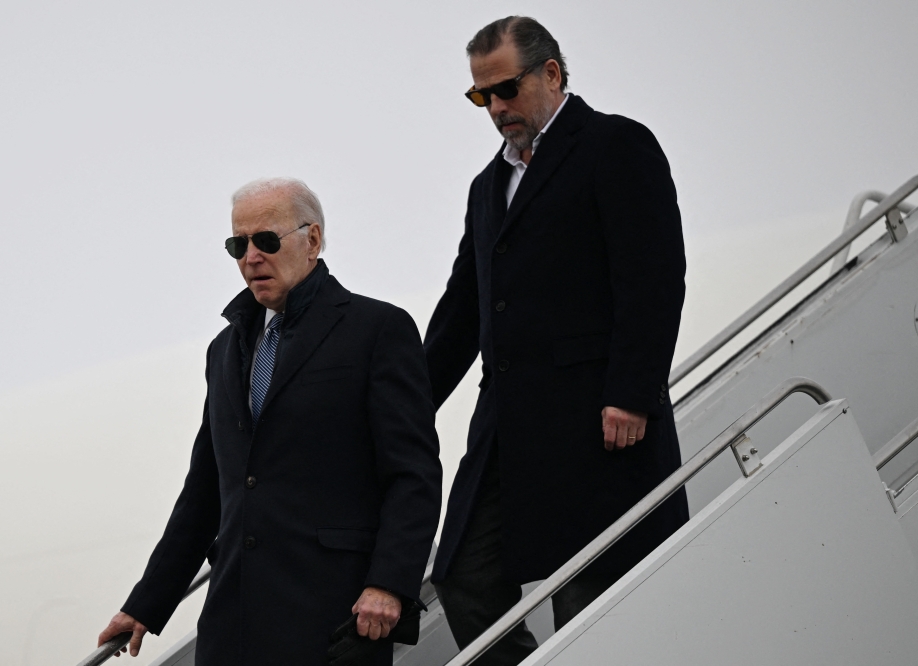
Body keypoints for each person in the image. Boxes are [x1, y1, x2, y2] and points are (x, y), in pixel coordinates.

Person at [423, 16, 689, 664]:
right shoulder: (487, 187)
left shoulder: (615, 145)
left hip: (598, 420)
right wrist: (402, 402)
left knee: (587, 599)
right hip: (507, 425)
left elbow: (653, 275)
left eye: (507, 88)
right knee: (463, 575)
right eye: (481, 96)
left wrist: (632, 391)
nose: (496, 107)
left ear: (552, 73)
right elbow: (463, 311)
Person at [96, 178, 442, 665]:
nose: (250, 257)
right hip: (233, 624)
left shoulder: (376, 329)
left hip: (334, 618)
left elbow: (414, 474)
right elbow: (206, 490)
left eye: (266, 241)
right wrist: (146, 604)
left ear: (313, 240)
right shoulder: (224, 351)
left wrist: (388, 583)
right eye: (238, 244)